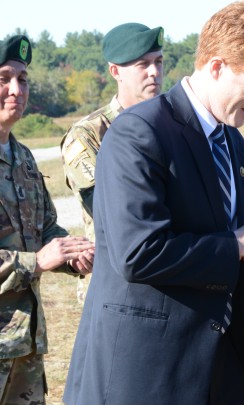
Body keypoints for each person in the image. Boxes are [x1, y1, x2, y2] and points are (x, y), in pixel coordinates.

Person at [63, 2, 244, 405]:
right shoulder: (139, 132)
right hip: (145, 387)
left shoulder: (235, 146)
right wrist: (238, 243)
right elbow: (137, 253)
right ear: (216, 66)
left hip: (220, 384)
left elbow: (220, 264)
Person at [0, 35, 94, 405]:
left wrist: (77, 253)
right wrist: (36, 262)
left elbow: (45, 227)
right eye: (5, 77)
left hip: (23, 346)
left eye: (23, 79)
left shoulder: (21, 156)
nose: (16, 90)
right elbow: (39, 254)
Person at [60, 22, 164, 304]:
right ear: (116, 72)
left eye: (158, 62)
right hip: (116, 284)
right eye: (143, 64)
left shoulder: (172, 125)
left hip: (167, 276)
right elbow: (109, 208)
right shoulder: (89, 134)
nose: (154, 72)